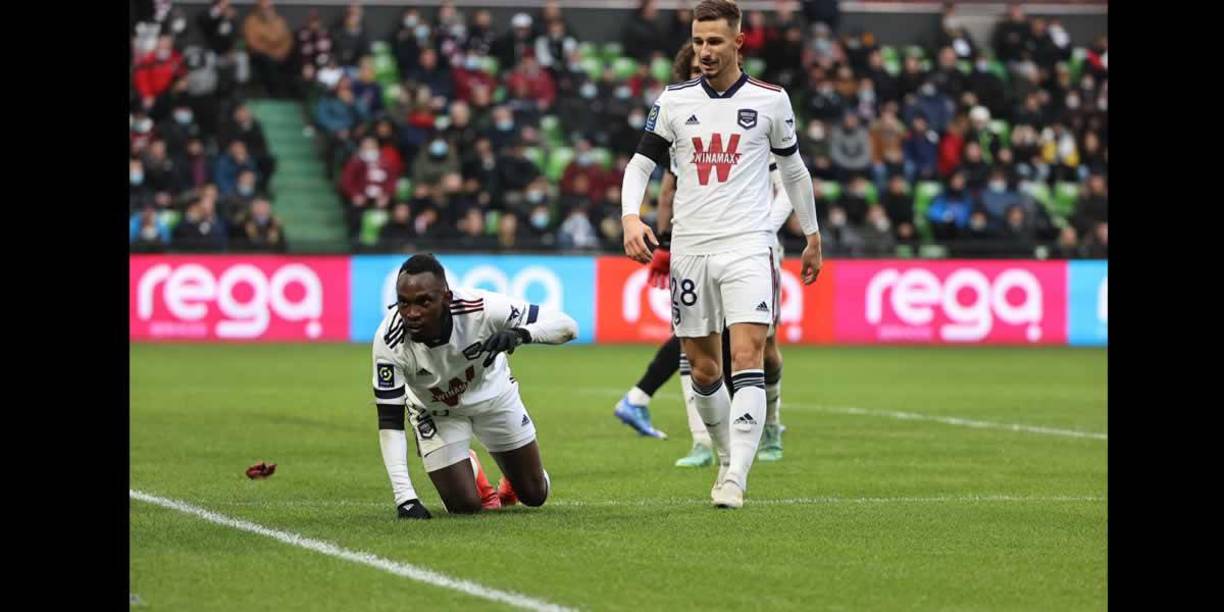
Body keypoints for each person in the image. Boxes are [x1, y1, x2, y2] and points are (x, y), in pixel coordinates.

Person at [620, 1, 821, 509]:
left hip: (749, 246)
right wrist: (629, 217)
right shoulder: (672, 101)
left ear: (738, 42)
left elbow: (794, 172)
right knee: (704, 369)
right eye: (698, 41)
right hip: (690, 249)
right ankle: (727, 454)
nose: (705, 51)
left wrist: (812, 234)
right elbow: (639, 166)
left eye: (714, 41)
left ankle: (737, 476)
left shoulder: (771, 101)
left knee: (749, 353)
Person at [371, 254, 578, 518]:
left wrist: (521, 334)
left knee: (535, 495)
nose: (412, 313)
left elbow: (567, 326)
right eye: (404, 302)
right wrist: (405, 499)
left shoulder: (482, 308)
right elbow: (389, 422)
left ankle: (511, 479)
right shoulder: (389, 340)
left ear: (446, 298)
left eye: (424, 302)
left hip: (494, 398)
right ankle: (471, 466)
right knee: (464, 507)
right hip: (436, 412)